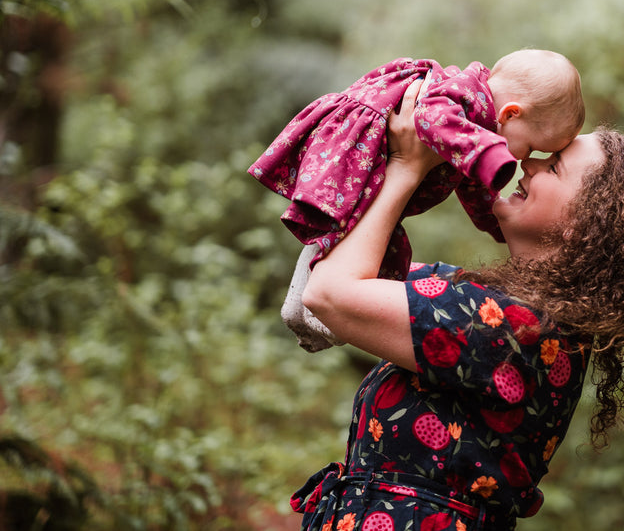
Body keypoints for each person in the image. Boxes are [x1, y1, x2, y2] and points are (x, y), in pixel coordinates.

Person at [289, 82, 624, 530]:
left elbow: (328, 295)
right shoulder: (483, 303)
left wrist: (407, 168)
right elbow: (343, 269)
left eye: (554, 164)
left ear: (587, 225)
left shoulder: (516, 330)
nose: (529, 163)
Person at [250, 50, 585, 352]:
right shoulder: (469, 98)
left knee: (360, 241)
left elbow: (473, 189)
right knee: (342, 234)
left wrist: (492, 220)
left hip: (377, 167)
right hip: (364, 154)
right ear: (511, 114)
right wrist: (490, 157)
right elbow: (431, 117)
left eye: (551, 166)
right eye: (531, 149)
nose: (525, 162)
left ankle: (309, 318)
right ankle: (308, 315)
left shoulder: (474, 128)